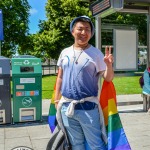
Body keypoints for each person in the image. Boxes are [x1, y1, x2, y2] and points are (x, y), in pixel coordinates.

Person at [54, 15, 114, 150]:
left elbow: (108, 78)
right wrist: (56, 99)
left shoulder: (96, 53)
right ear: (72, 31)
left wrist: (109, 65)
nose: (83, 33)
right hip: (67, 107)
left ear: (91, 33)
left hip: (88, 107)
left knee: (96, 145)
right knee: (75, 144)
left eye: (87, 29)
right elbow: (60, 77)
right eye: (80, 29)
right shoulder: (65, 52)